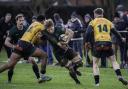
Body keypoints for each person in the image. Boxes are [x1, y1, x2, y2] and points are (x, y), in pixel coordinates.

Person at [0, 15, 51, 83]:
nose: (21, 22)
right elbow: (48, 34)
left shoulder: (31, 25)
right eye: (20, 20)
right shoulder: (13, 30)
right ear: (43, 21)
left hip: (22, 44)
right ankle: (43, 75)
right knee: (44, 55)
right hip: (25, 45)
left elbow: (36, 39)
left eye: (22, 20)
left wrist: (39, 38)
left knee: (10, 64)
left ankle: (39, 78)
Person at [84, 8, 128, 86]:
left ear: (95, 14)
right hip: (108, 43)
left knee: (95, 64)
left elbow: (87, 33)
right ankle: (119, 76)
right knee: (114, 61)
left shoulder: (92, 22)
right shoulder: (108, 22)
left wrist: (86, 42)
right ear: (102, 14)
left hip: (98, 43)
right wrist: (121, 39)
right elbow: (115, 32)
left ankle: (97, 84)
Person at [41, 19, 83, 84]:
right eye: (48, 29)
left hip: (66, 49)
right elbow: (54, 40)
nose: (50, 30)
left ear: (53, 25)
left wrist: (67, 41)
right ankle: (77, 82)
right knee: (70, 67)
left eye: (51, 28)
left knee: (80, 62)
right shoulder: (45, 32)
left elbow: (71, 32)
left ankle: (75, 69)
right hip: (58, 53)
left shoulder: (59, 29)